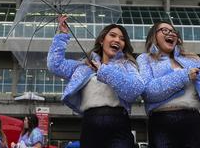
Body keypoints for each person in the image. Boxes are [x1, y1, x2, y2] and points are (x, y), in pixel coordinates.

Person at [47, 15, 144, 148]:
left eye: (122, 39)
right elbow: (55, 65)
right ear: (102, 41)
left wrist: (103, 71)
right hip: (90, 123)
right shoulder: (84, 66)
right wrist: (62, 35)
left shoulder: (128, 65)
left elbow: (135, 89)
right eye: (113, 35)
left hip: (119, 122)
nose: (117, 40)